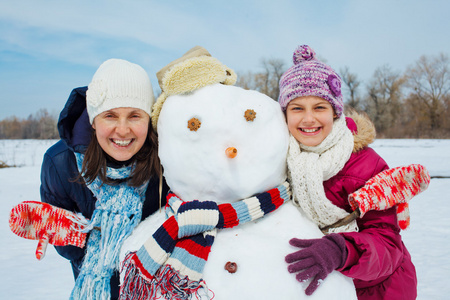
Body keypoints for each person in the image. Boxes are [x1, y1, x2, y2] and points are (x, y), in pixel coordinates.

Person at [278, 45, 417, 299]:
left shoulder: (366, 164)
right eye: (297, 108)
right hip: (314, 287)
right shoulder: (276, 161)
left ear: (335, 112)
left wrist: (342, 250)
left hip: (376, 290)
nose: (308, 119)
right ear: (284, 114)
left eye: (319, 107)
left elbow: (388, 244)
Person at [40, 58, 169, 299]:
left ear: (149, 120)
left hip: (157, 286)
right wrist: (82, 232)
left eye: (134, 116)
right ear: (93, 119)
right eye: (110, 115)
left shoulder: (167, 161)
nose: (122, 130)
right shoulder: (60, 164)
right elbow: (67, 247)